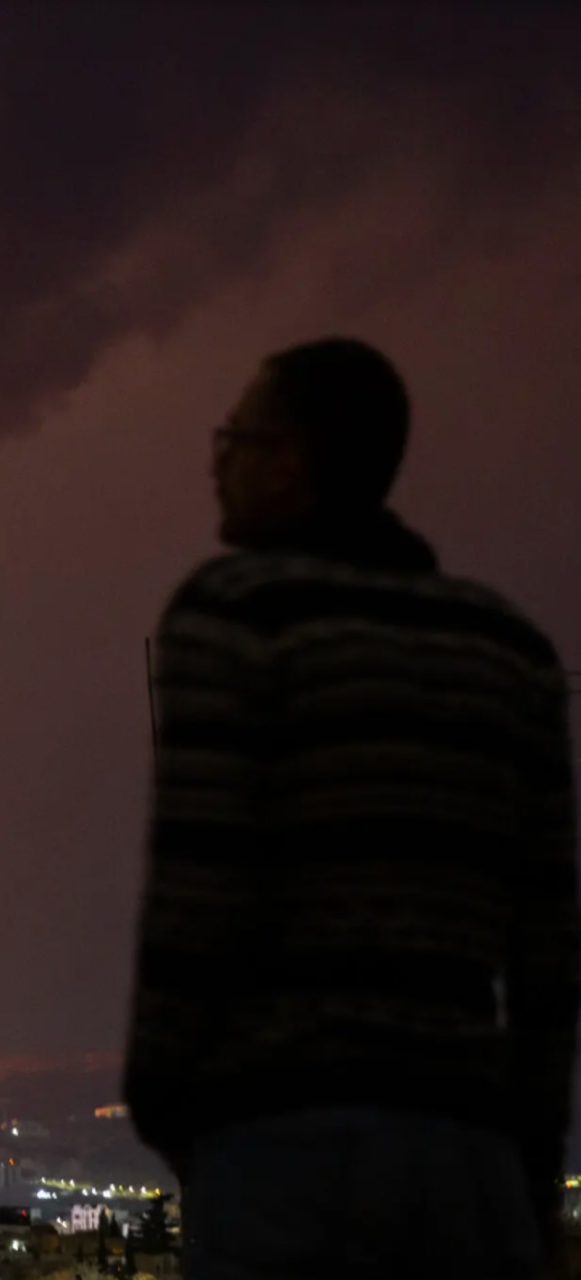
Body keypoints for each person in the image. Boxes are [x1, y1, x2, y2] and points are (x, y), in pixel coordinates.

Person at [126, 338, 577, 1277]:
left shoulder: (233, 614)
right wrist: (526, 1164)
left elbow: (197, 891)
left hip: (284, 1140)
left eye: (236, 437)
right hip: (469, 1147)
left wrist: (167, 1103)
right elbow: (547, 949)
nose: (219, 461)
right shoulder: (510, 648)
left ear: (291, 459)